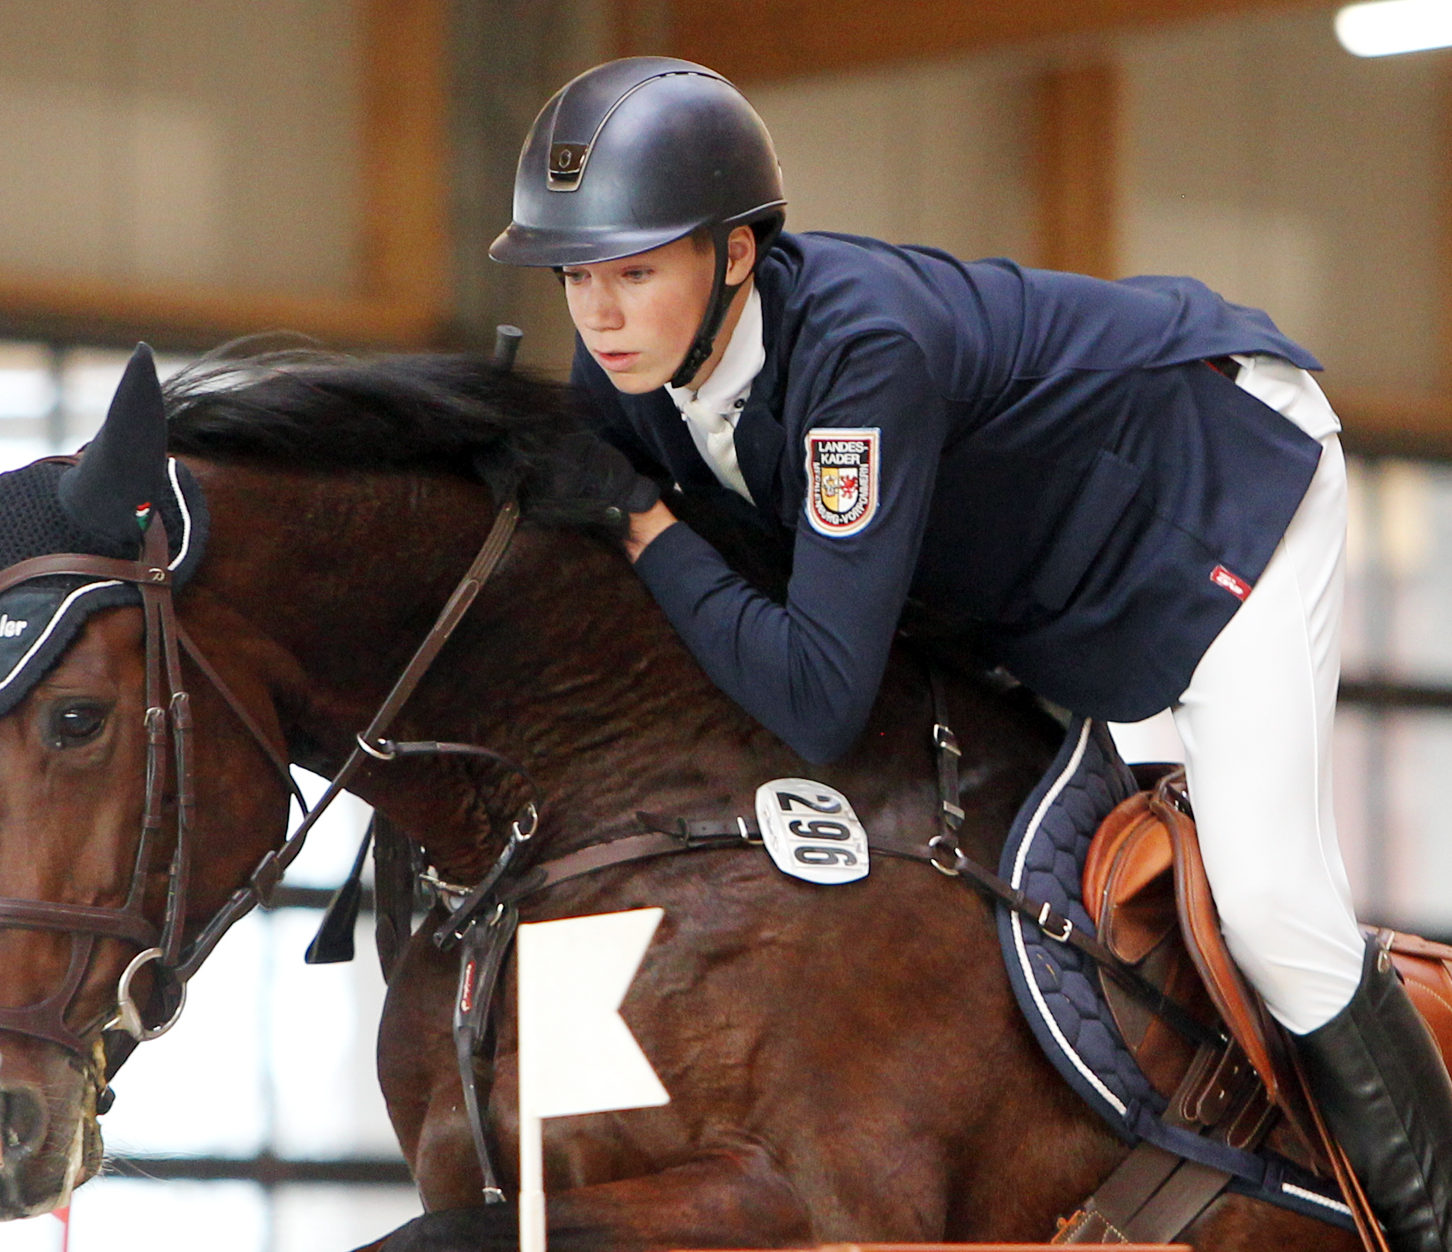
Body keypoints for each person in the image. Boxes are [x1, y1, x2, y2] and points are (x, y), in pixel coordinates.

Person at [493, 56, 1450, 1247]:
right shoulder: (632, 369)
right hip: (1045, 570)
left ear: (734, 253)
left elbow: (818, 694)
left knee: (1271, 908)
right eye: (576, 275)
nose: (597, 314)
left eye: (634, 271)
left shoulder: (860, 355)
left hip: (1214, 492)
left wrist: (641, 525)